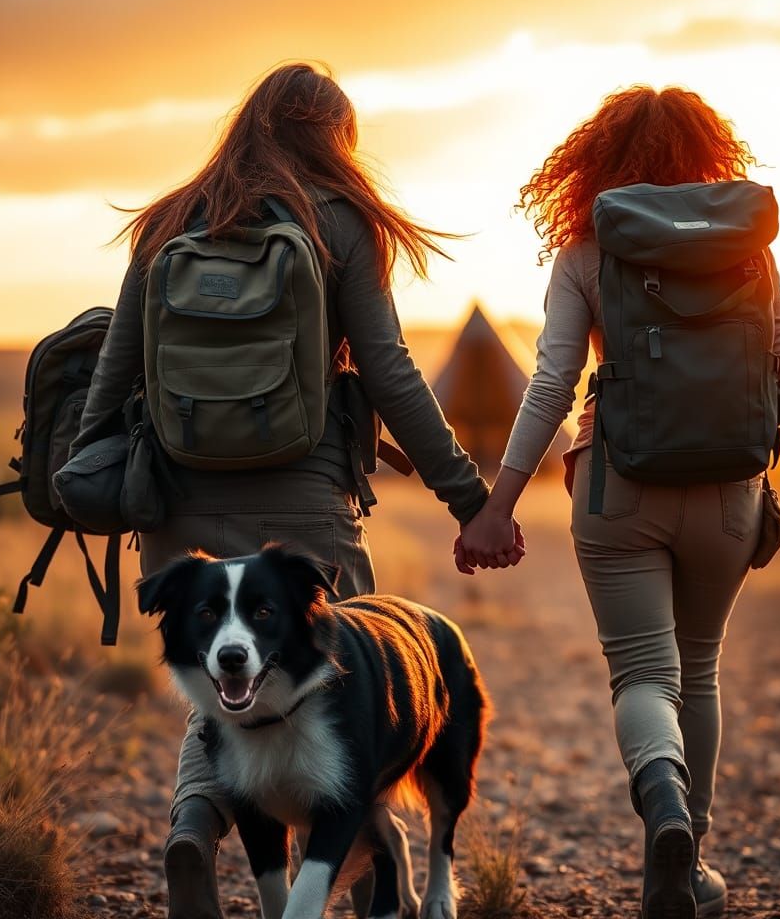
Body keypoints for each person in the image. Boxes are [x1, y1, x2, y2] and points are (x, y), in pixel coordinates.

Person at [72, 62, 522, 919]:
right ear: (334, 140)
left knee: (220, 694)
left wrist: (87, 463)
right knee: (347, 700)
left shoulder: (170, 219)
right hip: (305, 507)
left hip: (177, 505)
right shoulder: (340, 222)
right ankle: (366, 901)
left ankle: (192, 829)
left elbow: (117, 362)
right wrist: (474, 500)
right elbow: (389, 373)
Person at [457, 86, 780, 918]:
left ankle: (662, 798)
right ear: (711, 156)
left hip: (616, 488)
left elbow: (555, 382)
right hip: (730, 494)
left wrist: (500, 502)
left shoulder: (587, 253)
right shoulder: (749, 249)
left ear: (592, 163)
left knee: (642, 672)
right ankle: (685, 856)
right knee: (696, 669)